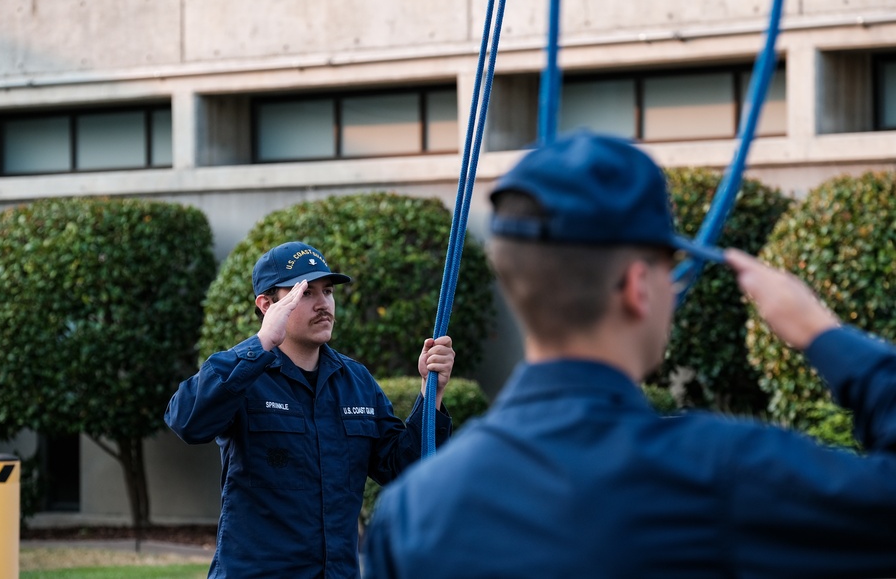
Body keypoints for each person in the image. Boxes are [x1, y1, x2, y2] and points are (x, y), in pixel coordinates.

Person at [362, 132, 896, 578]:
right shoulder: (716, 473)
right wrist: (821, 332)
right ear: (639, 286)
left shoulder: (413, 511)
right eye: (672, 272)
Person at [165, 240, 455, 579]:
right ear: (266, 304)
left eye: (328, 291)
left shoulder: (356, 381)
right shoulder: (245, 376)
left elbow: (405, 470)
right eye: (305, 293)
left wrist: (431, 392)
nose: (323, 304)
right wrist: (261, 343)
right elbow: (186, 421)